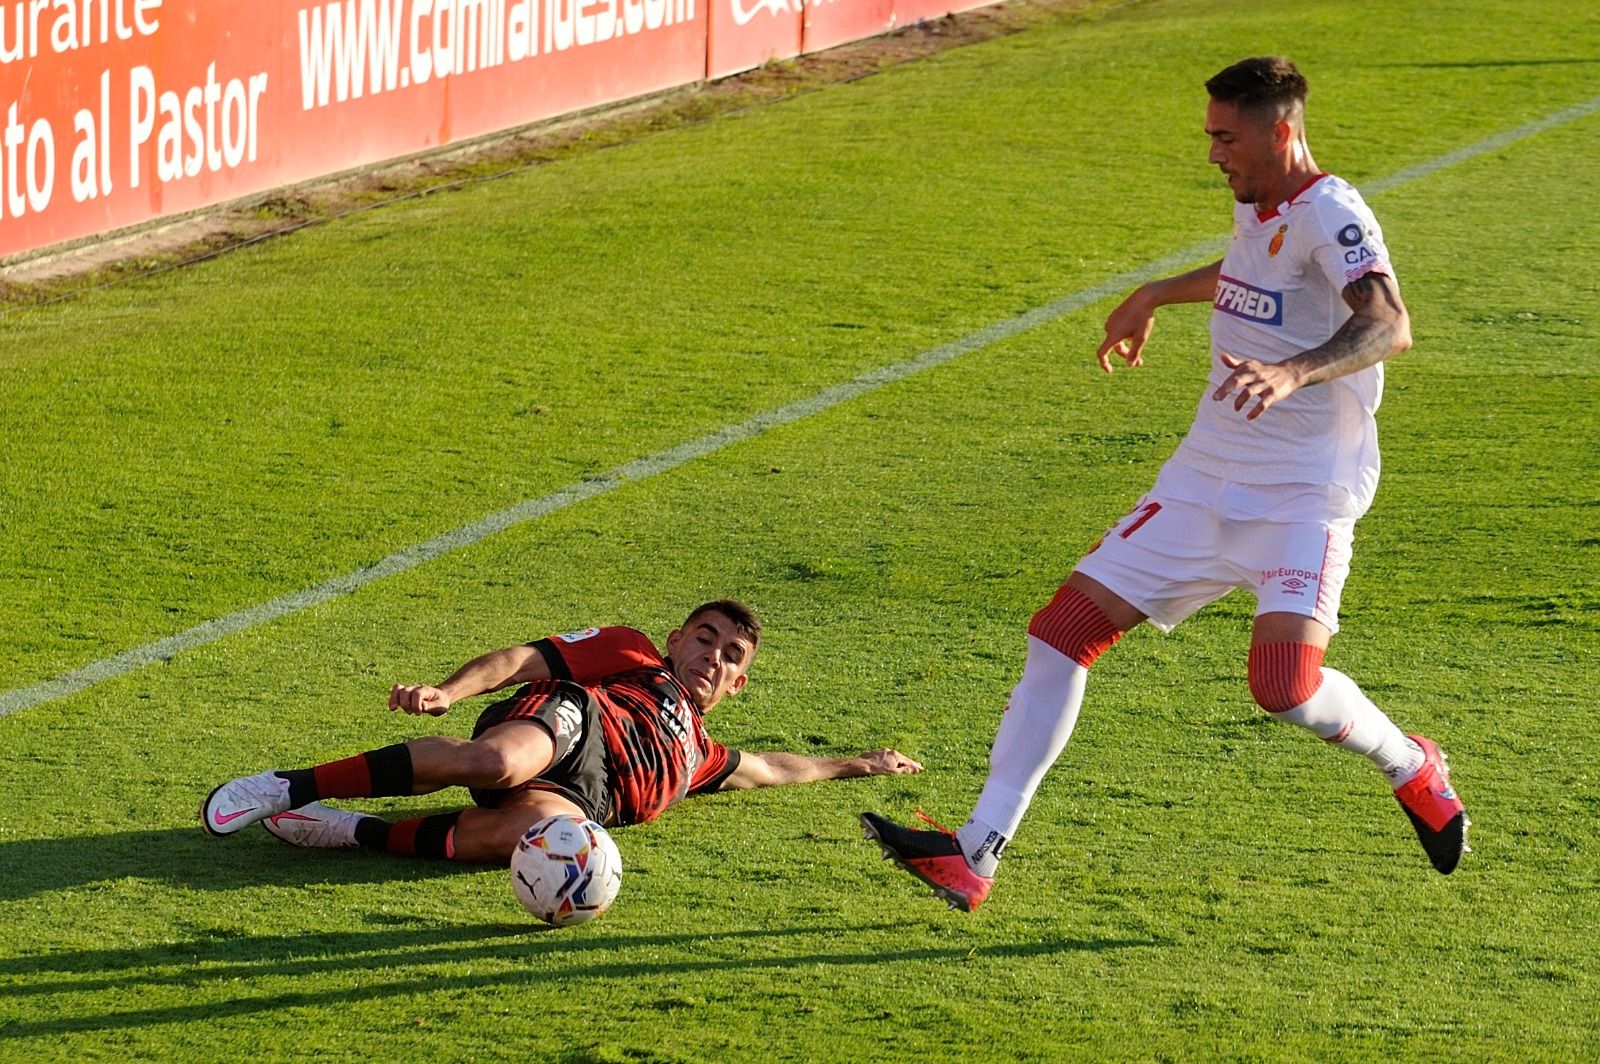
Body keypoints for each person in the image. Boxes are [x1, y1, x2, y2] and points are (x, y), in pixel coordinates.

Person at [861, 57, 1468, 912]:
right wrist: (1155, 292)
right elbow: (1251, 277)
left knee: (1284, 687)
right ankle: (976, 853)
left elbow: (1387, 324)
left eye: (1226, 136)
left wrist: (1294, 374)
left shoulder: (1334, 211)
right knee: (1062, 630)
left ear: (1281, 132)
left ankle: (1411, 763)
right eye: (1210, 134)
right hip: (1206, 474)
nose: (1213, 153)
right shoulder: (1260, 200)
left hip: (1302, 493)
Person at [203, 600, 922, 863]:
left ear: (738, 684)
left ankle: (348, 829)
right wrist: (448, 690)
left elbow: (773, 768)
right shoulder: (633, 653)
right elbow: (523, 659)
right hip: (574, 722)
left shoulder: (701, 755)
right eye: (705, 638)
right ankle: (284, 786)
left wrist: (857, 764)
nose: (712, 654)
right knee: (497, 764)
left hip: (591, 798)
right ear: (677, 640)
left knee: (523, 838)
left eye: (730, 656)